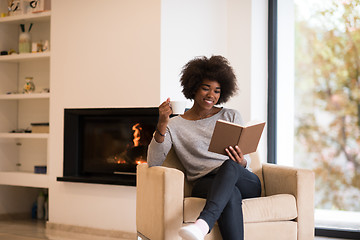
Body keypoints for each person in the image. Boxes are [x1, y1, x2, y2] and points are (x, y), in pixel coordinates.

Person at [147, 55, 261, 240]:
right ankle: (202, 225)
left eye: (217, 91)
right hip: (204, 183)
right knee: (230, 193)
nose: (211, 95)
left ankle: (203, 224)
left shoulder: (231, 115)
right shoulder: (174, 125)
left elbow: (245, 161)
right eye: (206, 88)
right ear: (193, 88)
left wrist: (241, 161)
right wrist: (161, 124)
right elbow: (153, 161)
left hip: (243, 178)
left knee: (230, 166)